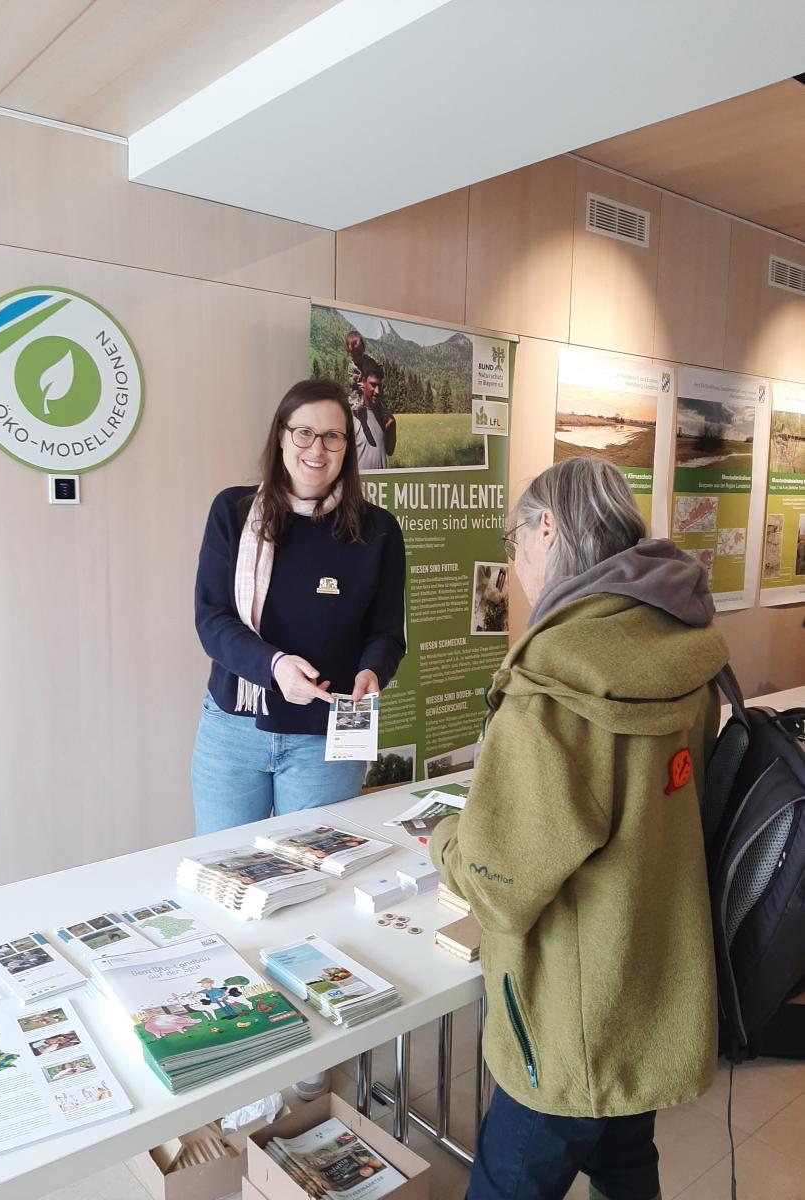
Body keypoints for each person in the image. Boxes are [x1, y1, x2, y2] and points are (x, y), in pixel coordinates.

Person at [429, 457, 729, 1200]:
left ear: (548, 529)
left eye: (513, 540)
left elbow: (502, 888)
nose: (515, 562)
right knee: (626, 1166)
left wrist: (443, 840)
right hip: (648, 992)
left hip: (564, 1024)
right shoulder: (682, 646)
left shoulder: (552, 685)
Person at [191, 378, 406, 834]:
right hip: (234, 730)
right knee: (224, 873)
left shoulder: (378, 530)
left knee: (316, 880)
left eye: (333, 435)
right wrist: (276, 666)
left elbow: (387, 632)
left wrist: (373, 671)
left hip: (327, 735)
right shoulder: (232, 510)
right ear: (282, 435)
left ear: (348, 447)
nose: (317, 448)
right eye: (303, 432)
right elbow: (213, 620)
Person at [351, 367, 396, 470]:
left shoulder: (383, 415)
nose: (377, 391)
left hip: (381, 484)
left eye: (379, 386)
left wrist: (391, 425)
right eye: (373, 385)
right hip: (360, 484)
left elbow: (390, 451)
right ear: (363, 383)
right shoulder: (353, 415)